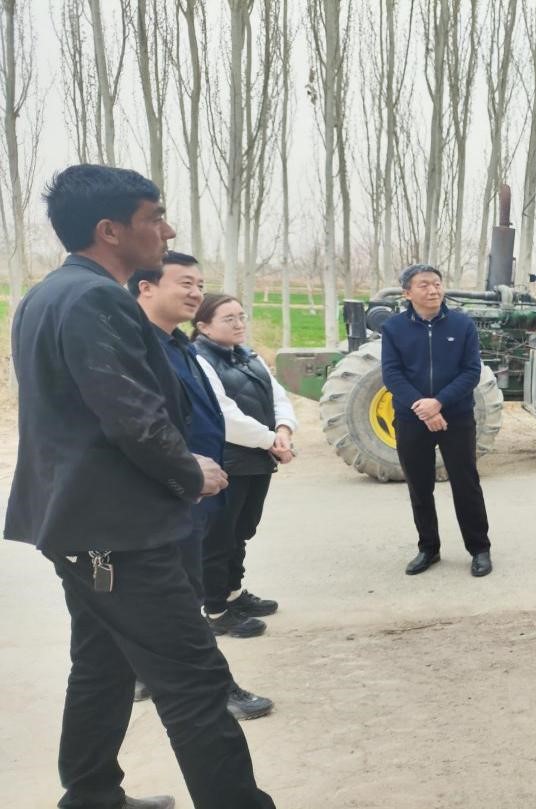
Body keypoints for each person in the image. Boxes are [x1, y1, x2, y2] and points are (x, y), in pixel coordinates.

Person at [4, 164, 274, 809]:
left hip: (84, 529)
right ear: (111, 230)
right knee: (195, 681)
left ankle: (92, 795)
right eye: (154, 218)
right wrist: (191, 470)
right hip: (118, 537)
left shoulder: (48, 295)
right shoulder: (95, 300)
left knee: (103, 662)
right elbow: (131, 417)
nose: (167, 230)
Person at [129, 251, 274, 720]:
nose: (195, 293)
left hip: (195, 492)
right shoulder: (138, 348)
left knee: (174, 595)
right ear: (146, 288)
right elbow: (140, 428)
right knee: (182, 601)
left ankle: (140, 672)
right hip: (168, 495)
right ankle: (216, 690)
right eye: (184, 283)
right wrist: (188, 472)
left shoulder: (179, 347)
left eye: (200, 284)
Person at [194, 293, 298, 635]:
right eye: (229, 319)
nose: (239, 324)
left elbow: (278, 396)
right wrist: (272, 441)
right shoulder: (200, 360)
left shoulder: (249, 355)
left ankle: (233, 593)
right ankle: (215, 610)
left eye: (242, 316)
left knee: (241, 531)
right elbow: (224, 415)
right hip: (227, 462)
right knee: (218, 536)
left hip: (256, 459)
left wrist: (284, 429)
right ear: (203, 326)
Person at [381, 263, 494, 577]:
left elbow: (471, 371)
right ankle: (428, 548)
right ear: (407, 293)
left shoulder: (462, 325)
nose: (433, 290)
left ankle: (479, 548)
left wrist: (439, 403)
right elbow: (392, 373)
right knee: (419, 486)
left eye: (437, 283)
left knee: (466, 484)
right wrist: (423, 408)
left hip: (456, 417)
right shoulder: (393, 328)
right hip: (411, 418)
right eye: (424, 285)